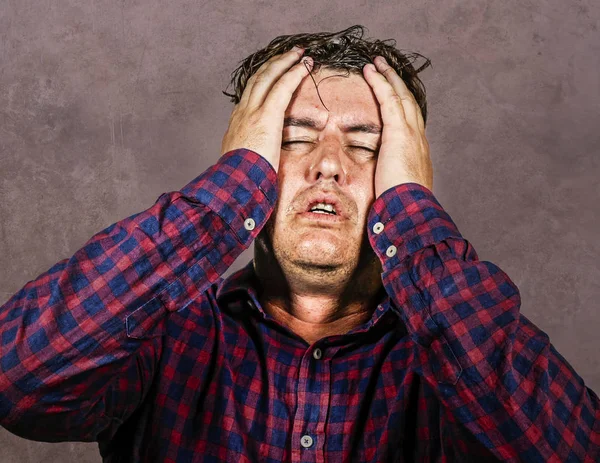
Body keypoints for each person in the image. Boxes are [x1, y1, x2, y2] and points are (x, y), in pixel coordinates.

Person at [0, 24, 598, 462]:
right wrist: (231, 188)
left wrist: (414, 216)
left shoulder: (460, 357)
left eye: (366, 145)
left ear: (406, 171)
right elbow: (17, 379)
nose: (328, 165)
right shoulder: (163, 333)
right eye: (292, 138)